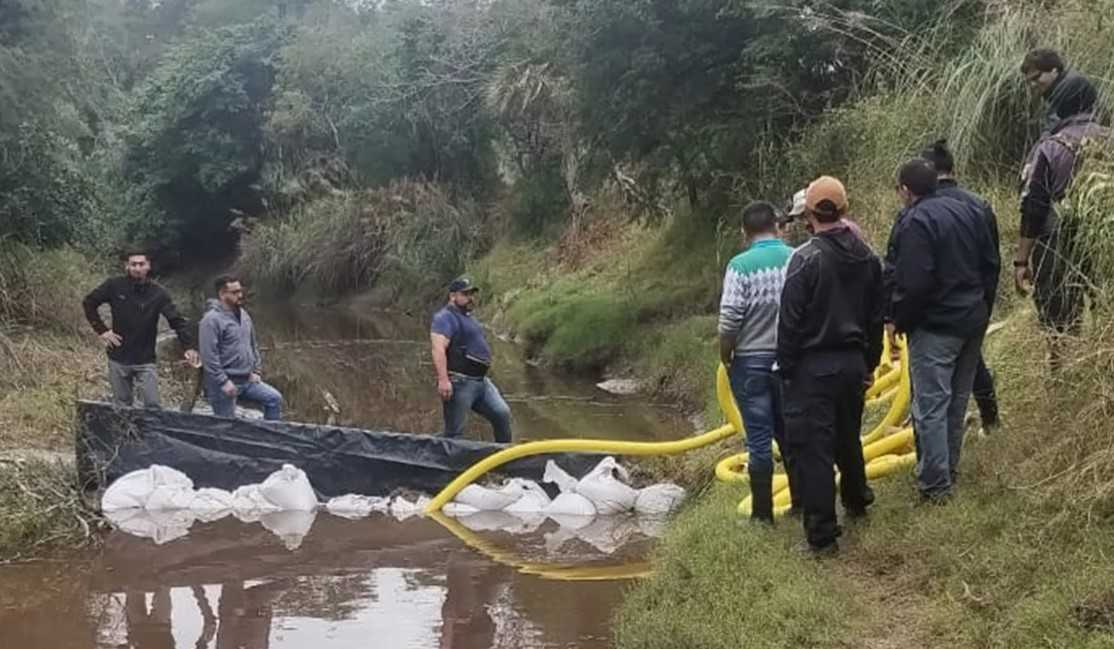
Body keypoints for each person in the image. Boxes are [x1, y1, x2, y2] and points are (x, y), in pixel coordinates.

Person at [777, 176, 884, 555]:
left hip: (812, 367)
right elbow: (875, 319)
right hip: (854, 363)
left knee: (814, 450)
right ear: (844, 210)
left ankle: (822, 537)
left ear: (808, 214)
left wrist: (786, 371)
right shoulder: (869, 257)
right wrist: (870, 362)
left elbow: (788, 324)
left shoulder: (804, 260)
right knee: (847, 437)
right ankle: (857, 500)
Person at [891, 159, 1000, 501]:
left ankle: (935, 485)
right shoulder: (971, 209)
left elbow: (914, 283)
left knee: (931, 405)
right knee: (956, 400)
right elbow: (990, 264)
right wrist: (984, 309)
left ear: (906, 191)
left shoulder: (915, 221)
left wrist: (899, 320)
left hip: (936, 325)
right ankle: (947, 470)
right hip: (972, 318)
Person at [1017, 49, 1107, 369]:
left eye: (1036, 79)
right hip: (1102, 240)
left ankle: (1060, 367)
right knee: (1103, 303)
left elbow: (1034, 205)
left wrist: (1021, 258)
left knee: (1057, 310)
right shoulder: (1108, 138)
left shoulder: (1052, 147)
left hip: (1058, 240)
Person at [718, 201, 795, 523]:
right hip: (791, 361)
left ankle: (762, 515)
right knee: (790, 433)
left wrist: (726, 353)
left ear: (744, 232)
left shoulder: (740, 265)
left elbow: (730, 317)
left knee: (760, 438)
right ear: (777, 226)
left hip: (750, 362)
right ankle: (802, 501)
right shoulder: (796, 257)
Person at [920, 139, 1002, 434]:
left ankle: (939, 442)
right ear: (953, 168)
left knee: (934, 376)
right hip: (974, 303)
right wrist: (986, 304)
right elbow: (992, 261)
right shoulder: (980, 205)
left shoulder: (921, 208)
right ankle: (990, 417)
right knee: (973, 359)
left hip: (936, 311)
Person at [83, 250, 198, 409]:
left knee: (152, 405)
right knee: (122, 407)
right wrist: (102, 330)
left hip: (145, 360)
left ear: (148, 266)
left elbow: (176, 320)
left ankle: (151, 433)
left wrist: (188, 347)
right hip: (118, 356)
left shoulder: (158, 293)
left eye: (141, 264)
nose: (137, 268)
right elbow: (89, 303)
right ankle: (126, 434)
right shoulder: (114, 285)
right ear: (127, 266)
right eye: (133, 264)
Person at [430, 277, 512, 442]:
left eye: (472, 294)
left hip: (481, 382)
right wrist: (443, 380)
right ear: (453, 296)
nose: (470, 298)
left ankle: (504, 460)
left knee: (502, 414)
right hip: (460, 382)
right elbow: (438, 349)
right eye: (465, 294)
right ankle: (440, 463)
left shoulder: (469, 318)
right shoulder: (444, 318)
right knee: (454, 432)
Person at [199, 275, 284, 421]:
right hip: (223, 384)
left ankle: (270, 439)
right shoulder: (211, 320)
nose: (240, 295)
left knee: (274, 398)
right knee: (226, 426)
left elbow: (252, 344)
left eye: (240, 291)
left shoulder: (244, 315)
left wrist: (256, 370)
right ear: (222, 294)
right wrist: (223, 382)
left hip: (247, 380)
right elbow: (209, 356)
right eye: (235, 292)